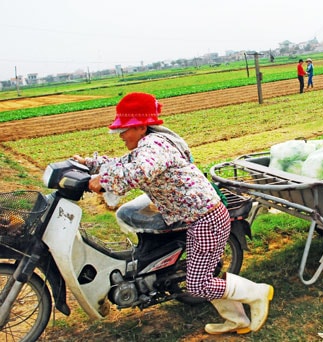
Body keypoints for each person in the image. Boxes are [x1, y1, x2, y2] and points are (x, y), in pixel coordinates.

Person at [72, 92, 274, 334]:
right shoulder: (148, 143)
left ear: (141, 126)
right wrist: (89, 163)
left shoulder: (154, 146)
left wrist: (103, 180)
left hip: (206, 219)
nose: (121, 135)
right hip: (197, 217)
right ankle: (237, 319)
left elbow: (140, 171)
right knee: (204, 277)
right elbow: (123, 163)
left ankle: (257, 292)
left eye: (124, 130)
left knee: (198, 284)